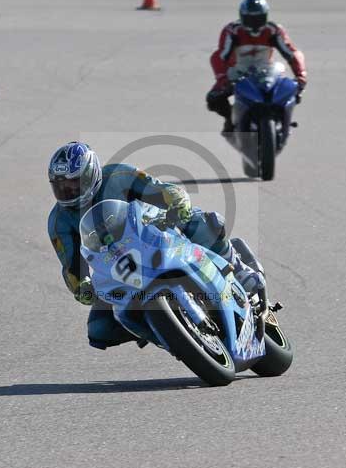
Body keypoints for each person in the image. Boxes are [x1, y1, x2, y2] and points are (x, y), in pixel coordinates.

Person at [47, 141, 266, 350]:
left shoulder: (117, 175)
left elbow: (161, 189)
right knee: (99, 330)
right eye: (61, 186)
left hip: (154, 232)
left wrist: (177, 202)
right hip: (119, 268)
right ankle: (166, 332)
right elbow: (71, 266)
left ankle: (238, 268)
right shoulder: (58, 221)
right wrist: (82, 287)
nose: (68, 191)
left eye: (74, 183)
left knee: (203, 223)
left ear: (90, 173)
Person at [206, 0, 307, 135]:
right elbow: (220, 56)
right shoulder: (232, 31)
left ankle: (283, 120)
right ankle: (229, 118)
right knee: (213, 98)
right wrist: (223, 78)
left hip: (267, 71)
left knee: (293, 91)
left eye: (258, 18)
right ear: (242, 17)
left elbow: (291, 52)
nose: (254, 23)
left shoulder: (274, 30)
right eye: (250, 19)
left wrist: (300, 75)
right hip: (238, 71)